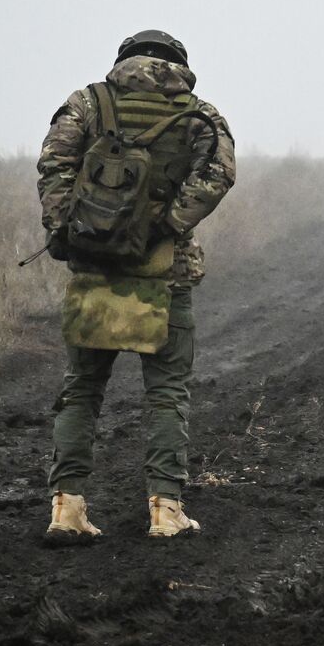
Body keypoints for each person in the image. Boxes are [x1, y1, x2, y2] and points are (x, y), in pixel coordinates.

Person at [36, 29, 236, 542]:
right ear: (179, 64)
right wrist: (166, 226)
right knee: (167, 391)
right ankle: (165, 511)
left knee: (81, 389)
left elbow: (54, 165)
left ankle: (67, 510)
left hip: (93, 267)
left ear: (124, 60)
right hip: (164, 272)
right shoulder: (200, 116)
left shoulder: (86, 103)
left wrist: (69, 231)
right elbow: (217, 176)